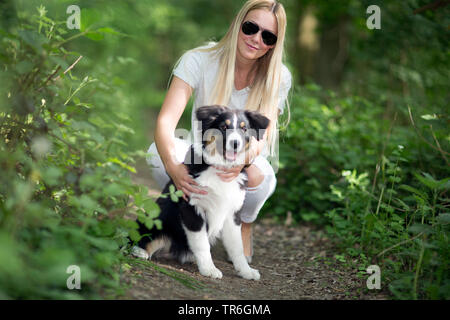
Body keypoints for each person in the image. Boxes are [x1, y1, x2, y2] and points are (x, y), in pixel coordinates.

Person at [147, 0, 291, 263]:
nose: (256, 39)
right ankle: (185, 219)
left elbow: (263, 136)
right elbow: (166, 122)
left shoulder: (278, 76)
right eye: (251, 28)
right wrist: (174, 167)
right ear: (238, 24)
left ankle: (242, 221)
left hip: (246, 152)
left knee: (259, 179)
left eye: (267, 36)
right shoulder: (198, 59)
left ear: (273, 44)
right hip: (204, 151)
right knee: (158, 156)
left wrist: (243, 162)